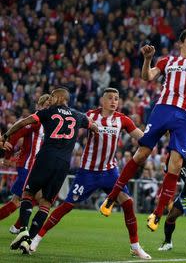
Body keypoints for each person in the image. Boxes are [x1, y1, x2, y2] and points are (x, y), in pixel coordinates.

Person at [100, 28, 186, 233]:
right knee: (141, 154)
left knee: (175, 164)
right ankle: (112, 197)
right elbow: (148, 76)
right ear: (181, 44)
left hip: (185, 117)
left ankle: (157, 213)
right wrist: (148, 59)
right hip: (162, 110)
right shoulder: (167, 61)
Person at [30, 88, 151, 259]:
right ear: (102, 100)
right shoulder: (88, 116)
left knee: (128, 203)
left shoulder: (122, 120)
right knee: (66, 206)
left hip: (110, 173)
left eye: (116, 98)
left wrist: (157, 133)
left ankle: (135, 246)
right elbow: (67, 127)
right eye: (110, 98)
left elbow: (142, 138)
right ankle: (37, 239)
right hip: (87, 173)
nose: (114, 101)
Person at [0, 88, 98, 254]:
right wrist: (93, 130)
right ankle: (28, 240)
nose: (50, 99)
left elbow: (24, 122)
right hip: (63, 164)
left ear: (59, 97)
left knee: (27, 195)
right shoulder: (78, 115)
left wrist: (6, 135)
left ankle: (23, 229)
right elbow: (93, 127)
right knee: (46, 203)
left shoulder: (48, 112)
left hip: (45, 158)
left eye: (52, 96)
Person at [0, 94, 51, 234]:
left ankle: (18, 226)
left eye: (49, 106)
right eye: (45, 105)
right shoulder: (34, 122)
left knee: (34, 199)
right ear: (38, 106)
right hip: (28, 166)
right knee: (26, 200)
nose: (47, 108)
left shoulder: (50, 123)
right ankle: (20, 228)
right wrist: (7, 157)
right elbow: (14, 135)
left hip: (37, 168)